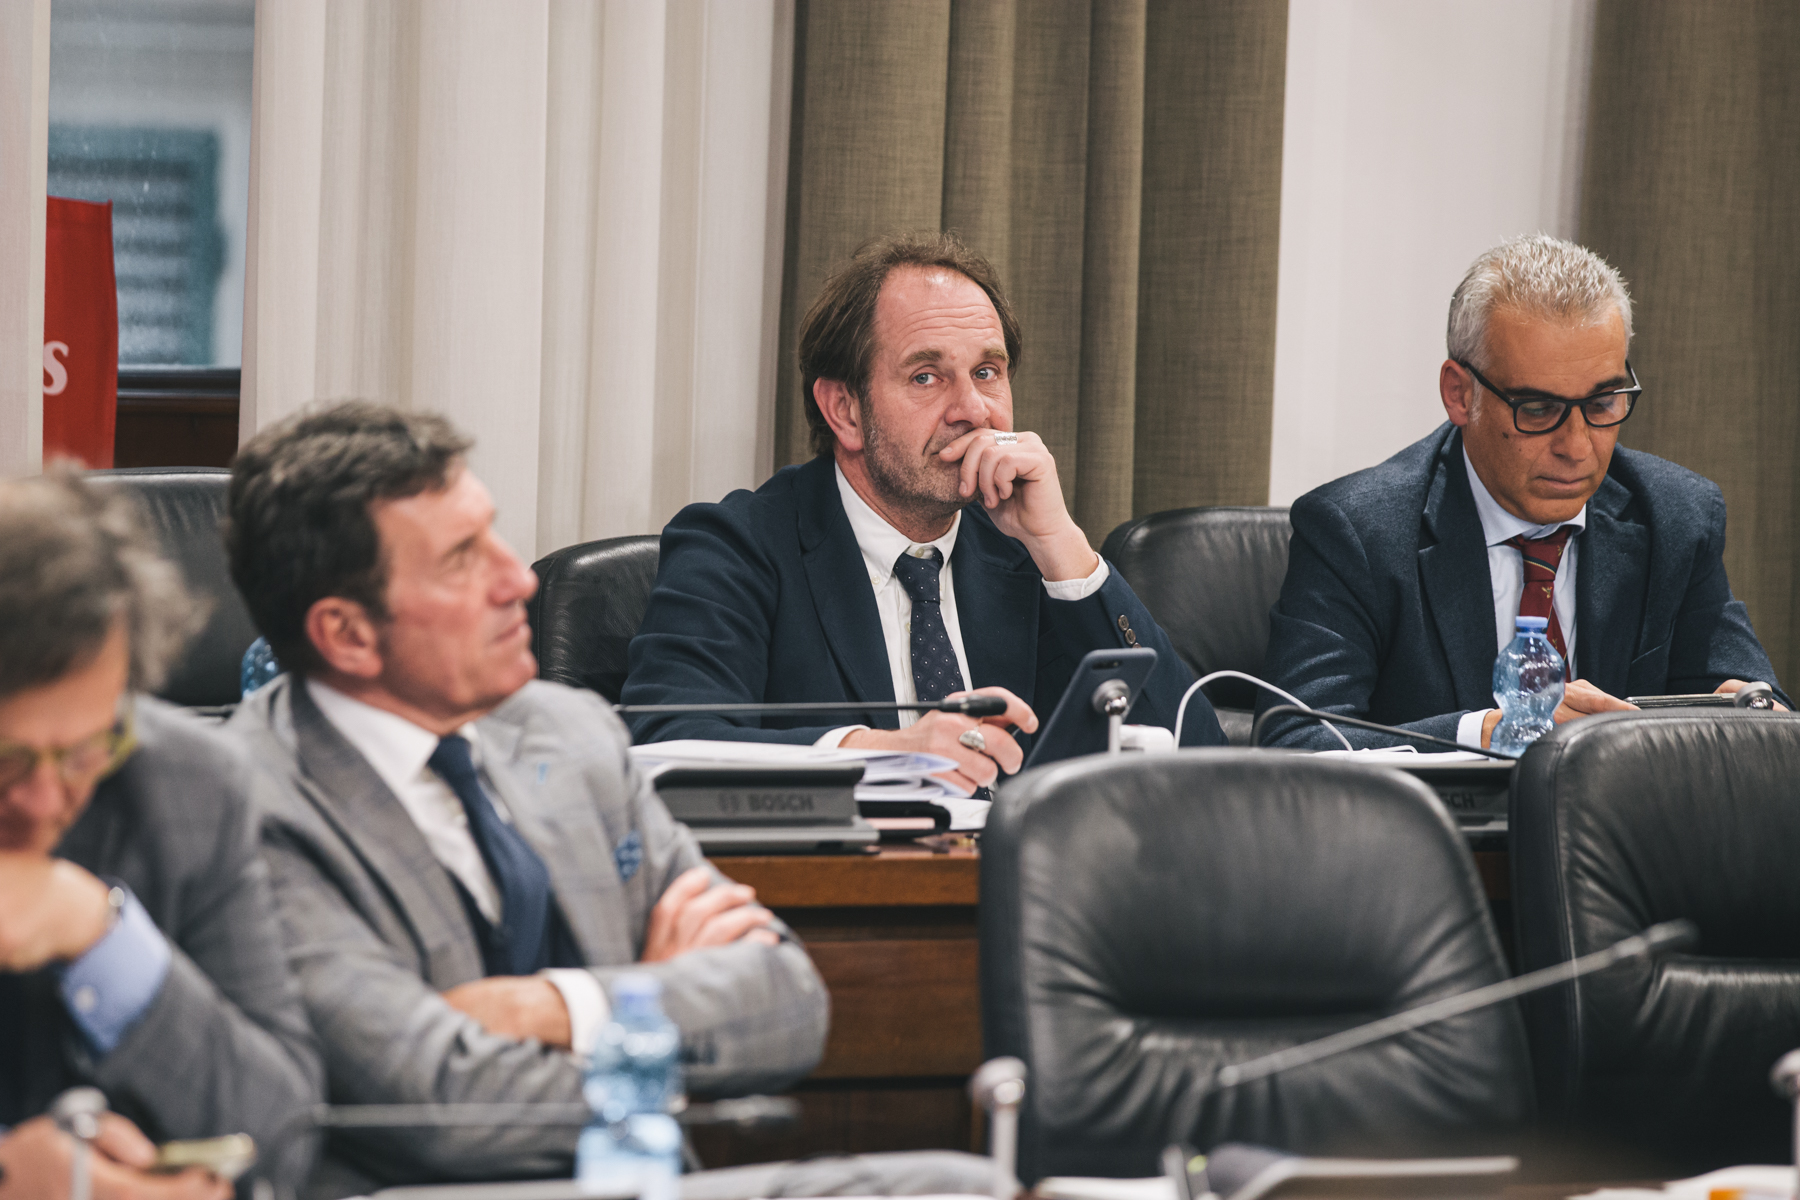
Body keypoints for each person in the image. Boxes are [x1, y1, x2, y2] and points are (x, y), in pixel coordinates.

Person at [223, 404, 829, 1196]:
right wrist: (648, 1015)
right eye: (461, 560)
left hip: (641, 1183)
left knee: (952, 1182)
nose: (520, 580)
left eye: (494, 536)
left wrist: (558, 1006)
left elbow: (790, 1001)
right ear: (347, 634)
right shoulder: (247, 806)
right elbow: (445, 1105)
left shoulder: (568, 730)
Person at [621, 232, 1225, 788]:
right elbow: (665, 745)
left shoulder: (1026, 554)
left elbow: (1202, 766)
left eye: (986, 372)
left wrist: (1061, 546)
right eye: (927, 377)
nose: (974, 410)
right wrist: (888, 752)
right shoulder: (737, 548)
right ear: (845, 411)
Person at [1260, 234, 1786, 751]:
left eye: (1602, 404)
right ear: (1459, 394)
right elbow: (1296, 742)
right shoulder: (1357, 533)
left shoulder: (1676, 518)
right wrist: (1488, 732)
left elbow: (1756, 707)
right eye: (1538, 409)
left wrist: (1757, 728)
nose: (1576, 447)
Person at [0, 471, 321, 1199]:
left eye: (85, 751)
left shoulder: (189, 788)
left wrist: (97, 930)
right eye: (6, 759)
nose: (45, 801)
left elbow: (282, 1135)